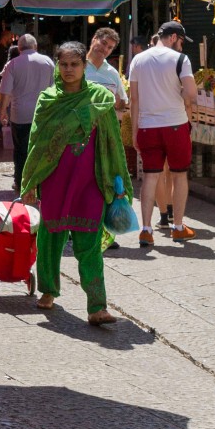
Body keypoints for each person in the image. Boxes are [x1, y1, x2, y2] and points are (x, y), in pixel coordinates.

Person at [21, 41, 129, 326]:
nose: (69, 70)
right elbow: (36, 143)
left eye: (75, 64)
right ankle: (47, 290)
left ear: (84, 66)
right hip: (55, 180)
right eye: (64, 64)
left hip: (89, 183)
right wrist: (30, 182)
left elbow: (112, 143)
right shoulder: (47, 100)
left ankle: (97, 306)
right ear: (58, 66)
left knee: (89, 242)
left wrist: (117, 180)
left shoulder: (99, 99)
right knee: (50, 237)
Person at [131, 20, 201, 245]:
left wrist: (134, 132)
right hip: (175, 125)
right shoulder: (181, 59)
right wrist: (178, 91)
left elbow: (134, 99)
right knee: (179, 175)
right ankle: (178, 227)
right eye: (180, 40)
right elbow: (191, 93)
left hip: (147, 126)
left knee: (150, 176)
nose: (181, 45)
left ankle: (146, 229)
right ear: (172, 37)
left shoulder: (138, 59)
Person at [0, 33, 57, 191]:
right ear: (35, 47)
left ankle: (20, 181)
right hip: (44, 114)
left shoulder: (13, 64)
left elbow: (6, 92)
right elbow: (55, 89)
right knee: (41, 148)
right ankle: (41, 181)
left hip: (20, 115)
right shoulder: (48, 62)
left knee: (21, 150)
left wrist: (3, 112)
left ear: (19, 48)